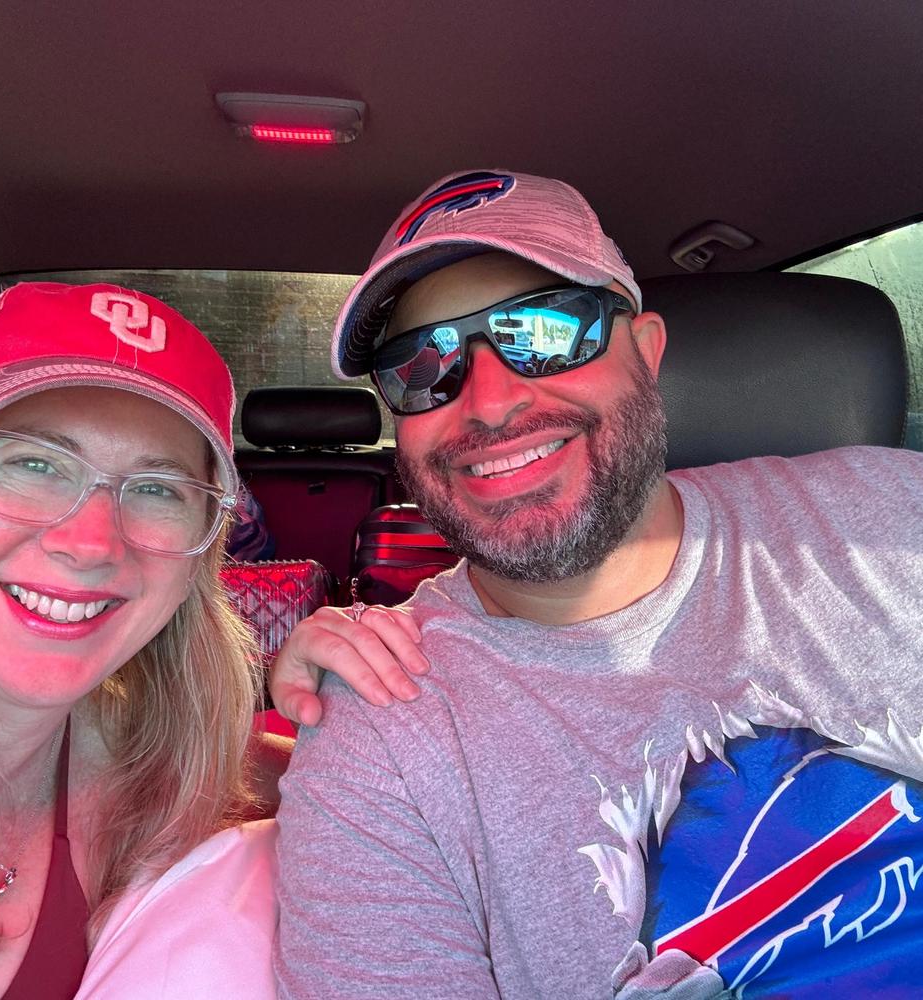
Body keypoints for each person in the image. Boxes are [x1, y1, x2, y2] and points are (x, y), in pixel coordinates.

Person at [271, 170, 923, 997]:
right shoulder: (384, 723)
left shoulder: (894, 515)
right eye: (422, 365)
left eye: (545, 329)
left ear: (646, 352)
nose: (490, 402)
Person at [0, 281, 278, 999]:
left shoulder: (138, 746)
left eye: (157, 489)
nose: (89, 544)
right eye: (33, 463)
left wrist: (352, 701)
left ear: (199, 559)